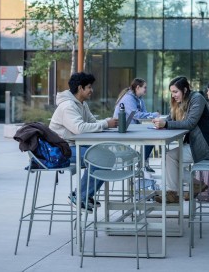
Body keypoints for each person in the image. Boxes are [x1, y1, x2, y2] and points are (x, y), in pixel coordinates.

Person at [49, 72, 118, 213]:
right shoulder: (68, 106)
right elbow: (79, 128)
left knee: (108, 157)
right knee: (99, 158)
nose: (92, 90)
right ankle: (80, 196)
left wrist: (108, 123)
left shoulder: (82, 104)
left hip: (73, 145)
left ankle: (84, 194)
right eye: (89, 87)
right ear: (80, 88)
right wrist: (106, 124)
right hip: (61, 149)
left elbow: (92, 123)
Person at [152, 76, 209, 203]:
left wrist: (166, 124)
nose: (173, 95)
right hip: (196, 144)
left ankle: (173, 192)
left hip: (206, 145)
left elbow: (190, 123)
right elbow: (171, 117)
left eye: (175, 92)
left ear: (184, 90)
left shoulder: (197, 99)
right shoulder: (182, 101)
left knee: (169, 158)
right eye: (171, 92)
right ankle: (194, 185)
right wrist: (162, 122)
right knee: (170, 161)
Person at [113, 78, 160, 172]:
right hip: (124, 129)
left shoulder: (139, 99)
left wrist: (152, 116)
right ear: (138, 87)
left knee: (152, 136)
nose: (146, 90)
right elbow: (136, 115)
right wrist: (154, 115)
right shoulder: (128, 98)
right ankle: (142, 163)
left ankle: (142, 162)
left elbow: (144, 113)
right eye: (145, 87)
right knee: (150, 138)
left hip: (133, 127)